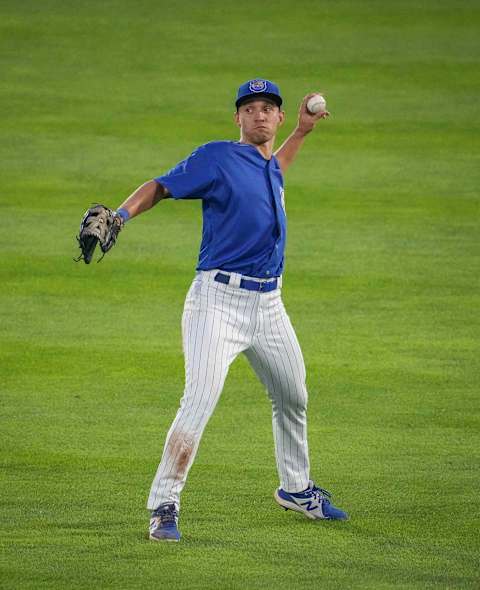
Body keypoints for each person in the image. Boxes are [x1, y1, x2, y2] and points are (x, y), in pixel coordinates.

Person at [113, 79, 348, 542]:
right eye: (250, 108)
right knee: (199, 400)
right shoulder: (218, 158)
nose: (260, 114)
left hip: (269, 307)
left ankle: (296, 488)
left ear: (279, 117)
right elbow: (161, 186)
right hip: (217, 304)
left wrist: (301, 134)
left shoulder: (268, 165)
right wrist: (119, 216)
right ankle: (164, 504)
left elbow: (274, 169)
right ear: (238, 118)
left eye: (269, 108)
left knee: (293, 395)